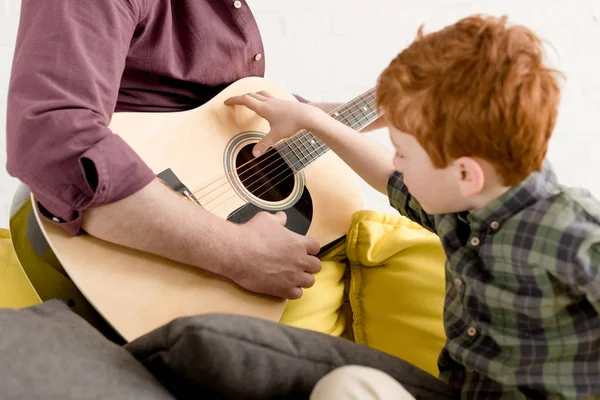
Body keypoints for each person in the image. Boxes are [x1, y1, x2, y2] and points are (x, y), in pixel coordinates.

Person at [225, 14, 600, 399]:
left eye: (403, 153)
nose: (397, 162)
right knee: (346, 387)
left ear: (466, 174)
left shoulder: (574, 231)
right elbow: (387, 177)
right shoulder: (462, 206)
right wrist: (312, 120)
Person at [6, 0, 384, 315]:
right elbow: (56, 138)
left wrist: (393, 104)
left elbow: (236, 121)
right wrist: (237, 253)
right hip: (106, 263)